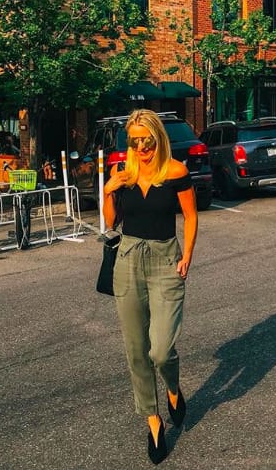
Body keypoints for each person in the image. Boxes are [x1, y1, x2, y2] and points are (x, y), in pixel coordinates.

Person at [102, 109, 198, 465]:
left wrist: (187, 254)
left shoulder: (175, 171)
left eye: (148, 140)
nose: (142, 147)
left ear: (159, 138)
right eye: (135, 140)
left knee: (161, 349)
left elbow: (190, 215)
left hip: (164, 260)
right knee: (136, 349)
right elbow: (111, 221)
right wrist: (109, 190)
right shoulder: (121, 174)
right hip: (127, 259)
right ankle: (153, 419)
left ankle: (172, 389)